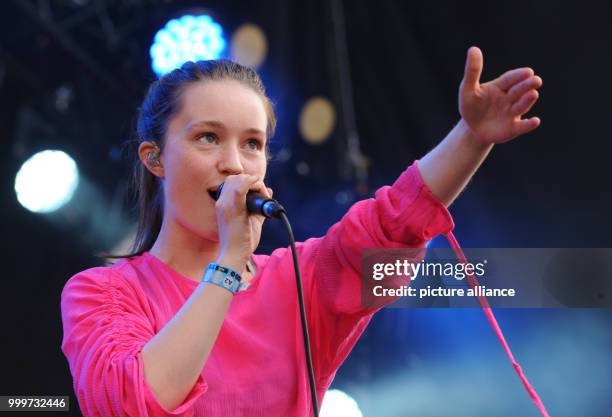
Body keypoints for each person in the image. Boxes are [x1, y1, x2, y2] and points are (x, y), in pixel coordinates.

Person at [60, 47, 542, 417]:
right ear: (155, 158)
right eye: (208, 137)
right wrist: (228, 263)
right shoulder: (101, 294)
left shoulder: (302, 279)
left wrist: (472, 136)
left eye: (253, 144)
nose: (233, 163)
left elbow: (394, 222)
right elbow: (136, 402)